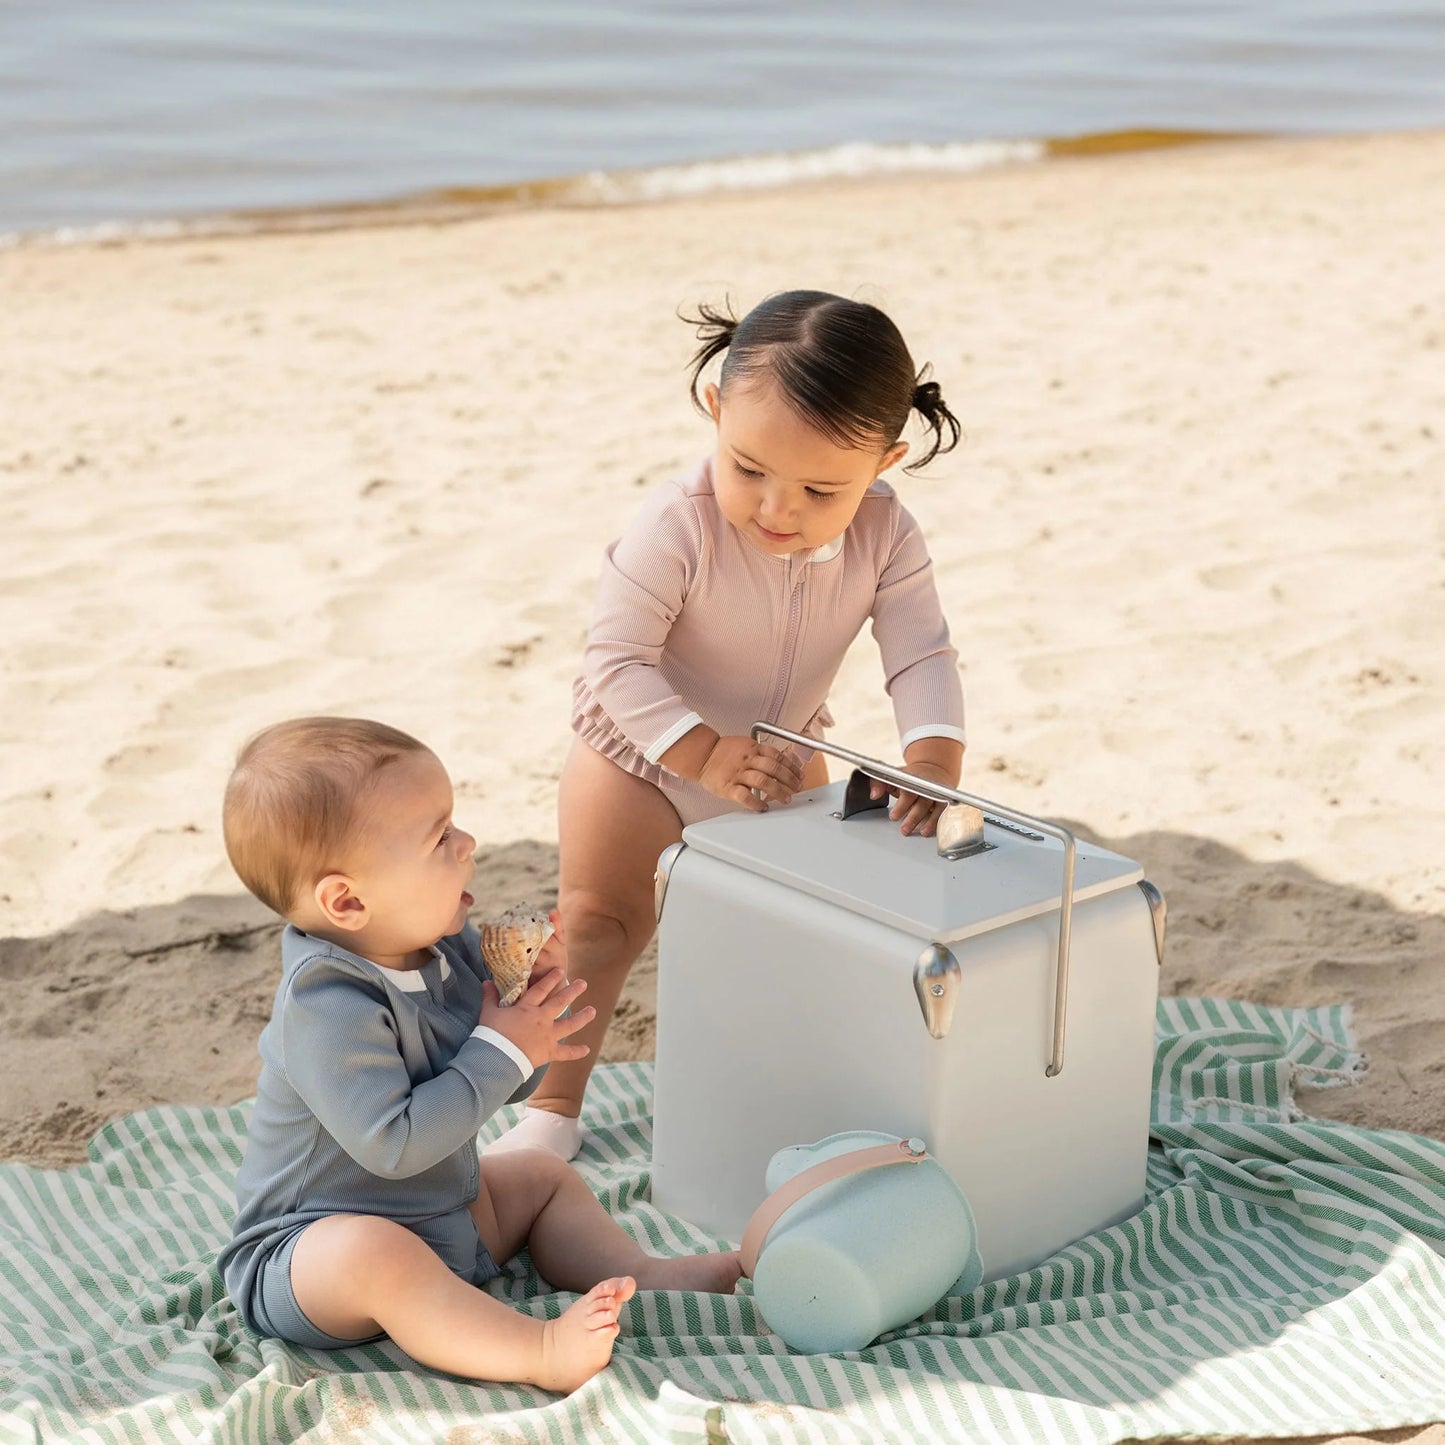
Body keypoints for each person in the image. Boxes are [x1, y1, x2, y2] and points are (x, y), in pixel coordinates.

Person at [490, 289, 967, 1163]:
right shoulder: (678, 523)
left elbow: (920, 652)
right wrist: (699, 751)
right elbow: (617, 657)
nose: (776, 509)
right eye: (747, 468)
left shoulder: (888, 536)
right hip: (636, 756)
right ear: (716, 410)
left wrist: (930, 756)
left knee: (788, 936)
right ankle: (549, 1114)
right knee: (598, 924)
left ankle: (770, 1090)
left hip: (781, 763)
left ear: (884, 461)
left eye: (821, 488)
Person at [217, 717, 741, 1394]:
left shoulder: (443, 947)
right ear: (347, 899)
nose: (469, 844)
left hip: (444, 1214)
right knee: (374, 1253)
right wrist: (501, 1046)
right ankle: (536, 1347)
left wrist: (535, 1019)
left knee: (538, 1174)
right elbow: (395, 1144)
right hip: (308, 1259)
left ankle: (644, 1270)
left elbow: (509, 1082)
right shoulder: (324, 1003)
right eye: (440, 838)